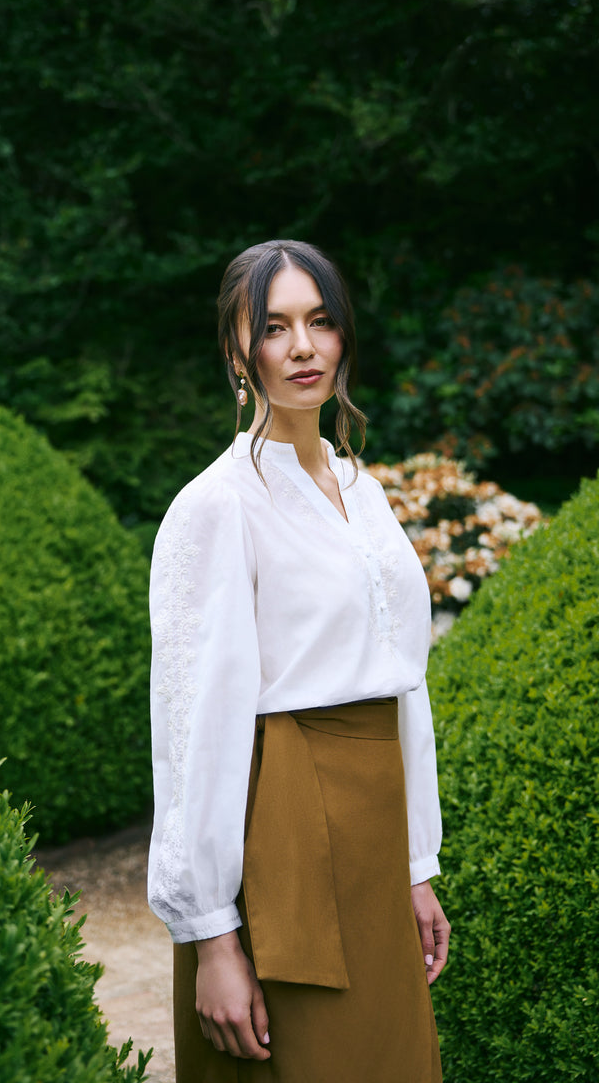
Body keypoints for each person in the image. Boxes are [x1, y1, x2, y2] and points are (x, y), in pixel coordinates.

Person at [148, 239, 450, 1082]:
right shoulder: (214, 507)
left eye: (319, 322)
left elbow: (404, 684)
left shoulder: (364, 491)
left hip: (374, 834)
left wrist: (417, 866)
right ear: (236, 351)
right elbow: (191, 728)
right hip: (283, 833)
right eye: (274, 328)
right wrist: (210, 933)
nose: (303, 348)